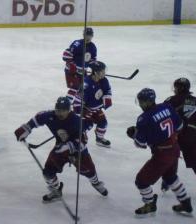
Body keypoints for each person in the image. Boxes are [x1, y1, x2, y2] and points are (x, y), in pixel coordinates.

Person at [14, 96, 108, 203]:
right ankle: (55, 190)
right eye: (58, 110)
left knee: (89, 171)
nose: (60, 113)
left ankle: (96, 183)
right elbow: (38, 118)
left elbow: (83, 141)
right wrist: (26, 128)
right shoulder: (50, 116)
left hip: (78, 151)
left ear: (69, 110)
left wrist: (67, 147)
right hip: (60, 148)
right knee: (48, 172)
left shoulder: (76, 121)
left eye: (63, 110)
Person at [126, 88, 192, 216]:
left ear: (146, 102)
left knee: (141, 181)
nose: (140, 104)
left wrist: (134, 134)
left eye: (141, 102)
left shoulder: (143, 119)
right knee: (170, 177)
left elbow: (141, 144)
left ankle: (150, 204)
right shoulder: (167, 106)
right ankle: (185, 202)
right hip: (175, 149)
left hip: (162, 155)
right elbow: (179, 126)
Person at [73, 61, 112, 148]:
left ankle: (99, 139)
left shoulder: (104, 80)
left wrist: (107, 98)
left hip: (97, 109)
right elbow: (77, 101)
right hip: (87, 110)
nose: (104, 73)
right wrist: (82, 111)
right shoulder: (86, 85)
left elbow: (107, 90)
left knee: (103, 123)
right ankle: (78, 137)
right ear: (96, 72)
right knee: (86, 125)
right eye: (102, 71)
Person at [62, 27, 97, 102]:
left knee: (82, 88)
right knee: (74, 88)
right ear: (83, 34)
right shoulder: (77, 43)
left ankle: (77, 104)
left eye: (90, 35)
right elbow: (66, 55)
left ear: (92, 36)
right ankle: (67, 104)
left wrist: (92, 69)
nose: (88, 37)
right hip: (71, 71)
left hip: (83, 73)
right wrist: (71, 65)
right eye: (87, 34)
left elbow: (93, 60)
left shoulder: (93, 47)